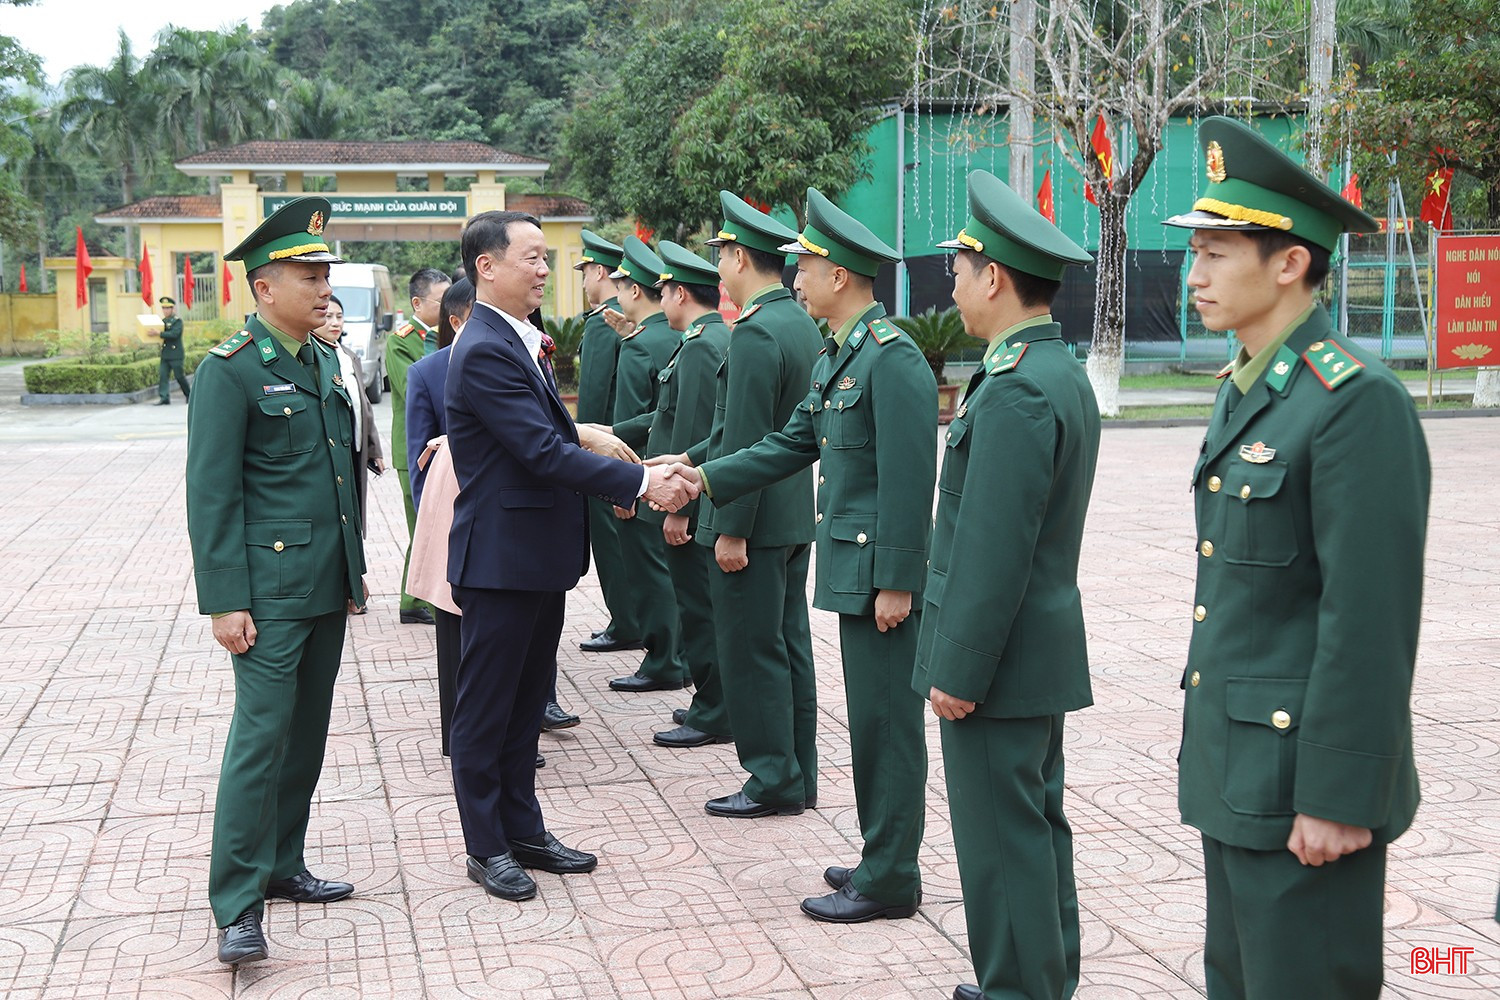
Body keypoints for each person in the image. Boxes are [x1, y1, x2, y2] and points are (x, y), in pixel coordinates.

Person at [1163, 117, 1429, 1000]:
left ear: (1290, 263)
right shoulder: (1252, 387)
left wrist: (1341, 794)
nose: (1193, 274)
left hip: (1302, 792)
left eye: (1218, 251)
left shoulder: (1353, 404)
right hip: (1237, 777)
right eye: (1194, 251)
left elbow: (1368, 618)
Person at [671, 188, 937, 920]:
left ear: (841, 277)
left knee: (888, 728)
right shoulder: (839, 355)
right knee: (870, 726)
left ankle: (890, 878)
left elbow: (914, 485)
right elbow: (790, 442)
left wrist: (899, 582)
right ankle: (879, 856)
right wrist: (703, 477)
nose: (795, 279)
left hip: (881, 582)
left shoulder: (894, 359)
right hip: (854, 574)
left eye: (808, 267)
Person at [443, 209, 695, 902]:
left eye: (545, 257)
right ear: (485, 267)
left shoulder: (517, 337)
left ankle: (524, 829)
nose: (544, 268)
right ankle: (486, 845)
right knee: (486, 711)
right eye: (530, 256)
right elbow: (538, 451)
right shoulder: (487, 345)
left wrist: (594, 435)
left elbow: (546, 432)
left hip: (533, 557)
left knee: (526, 707)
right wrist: (642, 482)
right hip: (499, 559)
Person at [914, 170, 1098, 1000]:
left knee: (1001, 837)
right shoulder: (1051, 370)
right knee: (1032, 827)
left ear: (994, 277)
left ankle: (1021, 986)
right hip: (1030, 651)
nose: (951, 286)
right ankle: (1040, 978)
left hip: (999, 660)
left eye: (958, 270)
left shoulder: (1019, 386)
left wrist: (958, 668)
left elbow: (994, 549)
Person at [185, 197, 367, 966]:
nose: (324, 286)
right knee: (259, 743)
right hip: (267, 593)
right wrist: (225, 600)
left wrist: (354, 576)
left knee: (307, 738)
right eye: (308, 273)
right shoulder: (229, 372)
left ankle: (284, 863)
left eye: (326, 272)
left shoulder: (323, 359)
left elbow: (338, 477)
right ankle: (236, 902)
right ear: (264, 286)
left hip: (325, 585)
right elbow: (212, 494)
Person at [656, 190, 823, 819]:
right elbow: (738, 433)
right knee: (786, 648)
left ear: (737, 257)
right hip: (785, 518)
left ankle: (770, 777)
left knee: (753, 653)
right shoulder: (797, 322)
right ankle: (796, 771)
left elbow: (753, 439)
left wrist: (728, 529)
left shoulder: (754, 331)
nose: (718, 266)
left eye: (722, 253)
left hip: (749, 523)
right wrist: (687, 463)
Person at [645, 241, 733, 748]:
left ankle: (716, 710)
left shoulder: (702, 346)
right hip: (691, 497)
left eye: (664, 294)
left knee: (700, 610)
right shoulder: (704, 340)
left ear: (680, 294)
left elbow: (697, 431)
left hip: (690, 503)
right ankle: (711, 699)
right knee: (699, 608)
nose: (661, 305)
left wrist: (680, 508)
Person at [601, 237, 689, 693]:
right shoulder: (678, 335)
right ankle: (683, 656)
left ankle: (662, 661)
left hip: (647, 476)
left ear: (635, 292)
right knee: (674, 572)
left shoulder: (637, 347)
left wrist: (623, 486)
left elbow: (630, 430)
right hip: (680, 471)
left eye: (620, 288)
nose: (616, 297)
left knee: (649, 570)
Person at [574, 230, 645, 654]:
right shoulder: (625, 317)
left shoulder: (605, 322)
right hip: (630, 443)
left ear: (600, 271)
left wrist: (587, 437)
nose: (584, 282)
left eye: (585, 273)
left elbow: (595, 396)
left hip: (608, 446)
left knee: (610, 536)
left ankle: (626, 621)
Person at [388, 267, 452, 626]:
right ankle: (412, 599)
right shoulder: (402, 340)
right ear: (417, 302)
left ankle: (418, 597)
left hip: (445, 445)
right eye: (439, 303)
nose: (445, 311)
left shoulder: (444, 334)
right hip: (414, 448)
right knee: (422, 524)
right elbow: (411, 386)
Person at [312, 294, 385, 555]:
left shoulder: (347, 355)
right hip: (333, 450)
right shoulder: (311, 355)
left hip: (354, 449)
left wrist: (373, 449)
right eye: (328, 316)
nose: (334, 322)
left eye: (339, 317)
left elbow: (363, 406)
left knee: (354, 510)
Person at [155, 296, 190, 405]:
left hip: (176, 354)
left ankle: (189, 394)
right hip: (165, 354)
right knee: (163, 376)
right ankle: (164, 397)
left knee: (179, 376)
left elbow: (174, 334)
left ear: (172, 309)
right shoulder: (162, 321)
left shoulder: (177, 321)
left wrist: (159, 334)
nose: (165, 311)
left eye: (167, 308)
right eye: (164, 308)